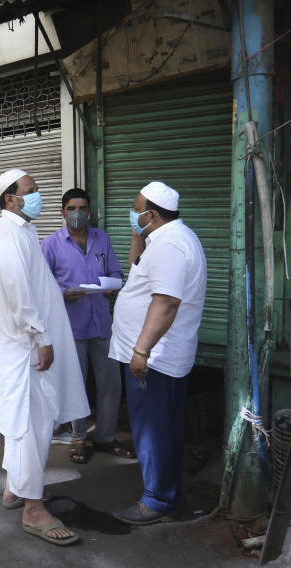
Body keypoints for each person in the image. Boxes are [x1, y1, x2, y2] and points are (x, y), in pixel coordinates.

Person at [0, 168, 89, 546]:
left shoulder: (22, 231)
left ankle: (14, 489)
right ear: (11, 199)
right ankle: (33, 509)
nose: (38, 195)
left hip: (24, 345)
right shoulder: (10, 234)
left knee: (23, 422)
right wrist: (41, 336)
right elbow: (18, 294)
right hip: (26, 347)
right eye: (30, 191)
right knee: (32, 425)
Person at [109, 181, 207, 526]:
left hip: (155, 359)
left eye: (136, 209)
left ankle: (157, 501)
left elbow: (165, 302)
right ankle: (168, 492)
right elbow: (139, 271)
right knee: (163, 427)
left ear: (151, 214)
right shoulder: (165, 240)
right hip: (161, 357)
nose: (132, 214)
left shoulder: (169, 247)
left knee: (153, 430)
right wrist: (138, 236)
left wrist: (141, 351)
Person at [41, 188, 132, 465]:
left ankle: (105, 435)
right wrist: (63, 292)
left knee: (111, 384)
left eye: (82, 208)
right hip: (71, 328)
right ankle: (78, 436)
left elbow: (116, 272)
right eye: (71, 208)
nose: (77, 213)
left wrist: (111, 286)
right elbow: (40, 285)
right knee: (75, 385)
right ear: (62, 212)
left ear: (89, 212)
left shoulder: (101, 238)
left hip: (102, 324)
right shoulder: (51, 244)